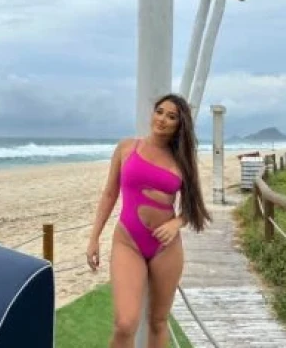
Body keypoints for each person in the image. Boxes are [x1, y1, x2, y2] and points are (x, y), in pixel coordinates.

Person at [86, 93, 212, 348]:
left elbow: (193, 206)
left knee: (158, 321)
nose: (163, 119)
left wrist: (176, 223)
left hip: (166, 248)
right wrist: (94, 238)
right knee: (125, 324)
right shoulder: (126, 148)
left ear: (180, 125)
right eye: (159, 112)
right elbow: (109, 194)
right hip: (128, 242)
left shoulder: (182, 160)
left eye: (171, 117)